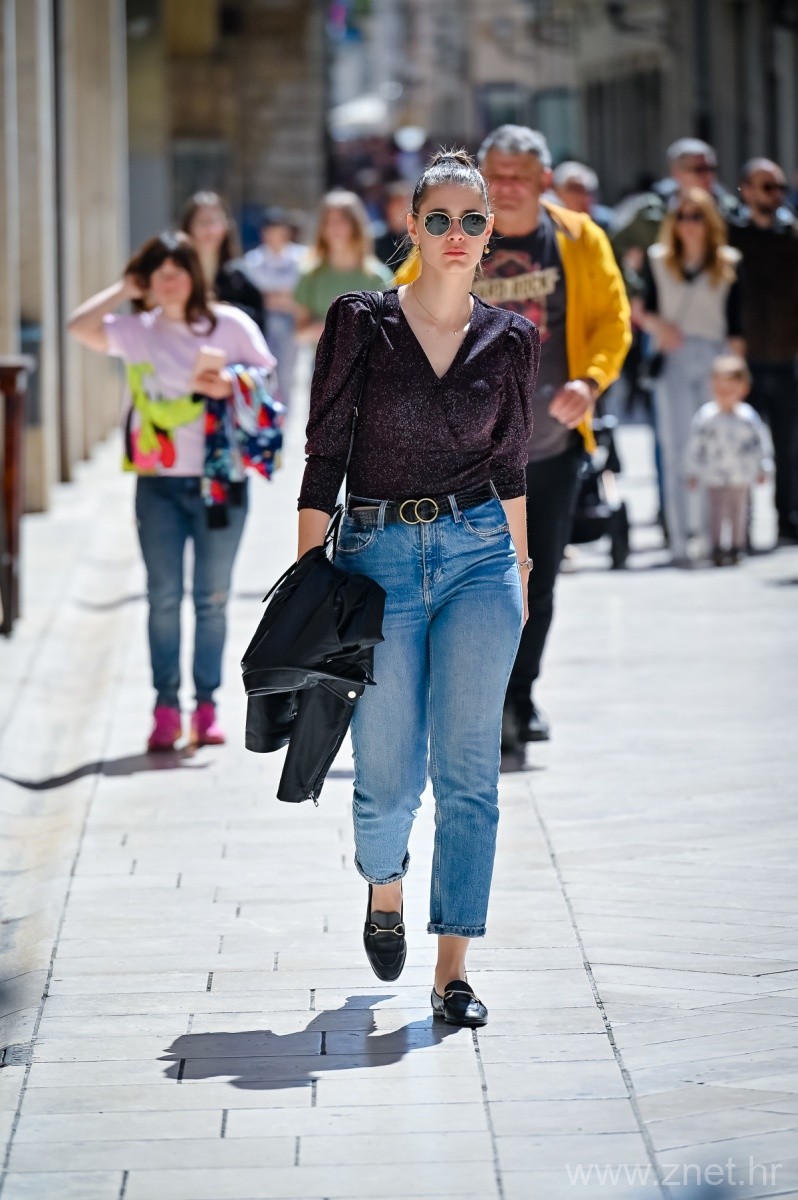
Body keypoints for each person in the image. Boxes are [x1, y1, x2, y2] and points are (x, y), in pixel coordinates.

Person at [297, 149, 539, 1027]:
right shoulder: (360, 322)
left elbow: (511, 466)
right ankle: (384, 886)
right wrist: (309, 579)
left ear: (490, 232)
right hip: (377, 558)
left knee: (470, 775)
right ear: (411, 227)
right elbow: (324, 453)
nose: (455, 234)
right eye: (438, 219)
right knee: (389, 783)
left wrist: (521, 568)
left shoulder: (512, 338)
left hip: (479, 558)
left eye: (472, 221)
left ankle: (453, 972)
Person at [68, 232, 276, 752]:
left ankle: (206, 707)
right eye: (158, 273)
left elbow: (267, 378)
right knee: (162, 598)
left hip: (220, 481)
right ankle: (165, 707)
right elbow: (78, 327)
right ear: (148, 280)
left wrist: (230, 382)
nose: (169, 281)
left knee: (212, 600)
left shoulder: (229, 323)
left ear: (194, 274)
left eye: (177, 270)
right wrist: (124, 289)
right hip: (158, 485)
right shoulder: (137, 329)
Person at [473, 125, 630, 750]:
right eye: (496, 174)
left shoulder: (578, 237)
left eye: (519, 175)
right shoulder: (457, 231)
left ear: (544, 179)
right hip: (469, 451)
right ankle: (475, 701)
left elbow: (614, 319)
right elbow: (407, 299)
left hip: (552, 446)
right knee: (473, 584)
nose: (507, 186)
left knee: (536, 580)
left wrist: (590, 383)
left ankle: (519, 696)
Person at [637, 187, 743, 565]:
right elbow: (641, 308)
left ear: (710, 221)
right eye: (681, 216)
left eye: (697, 216)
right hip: (674, 358)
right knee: (678, 450)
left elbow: (736, 323)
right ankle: (680, 541)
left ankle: (715, 539)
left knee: (716, 450)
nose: (688, 224)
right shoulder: (658, 259)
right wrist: (659, 328)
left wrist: (737, 372)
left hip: (715, 361)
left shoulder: (728, 262)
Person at [728, 158, 798, 543]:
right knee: (741, 447)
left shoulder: (793, 233)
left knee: (789, 447)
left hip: (787, 356)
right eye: (767, 187)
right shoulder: (731, 236)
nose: (776, 195)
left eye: (780, 187)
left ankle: (788, 519)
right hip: (744, 358)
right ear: (747, 191)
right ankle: (742, 526)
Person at [685, 355, 774, 566]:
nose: (724, 395)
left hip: (740, 476)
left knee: (739, 513)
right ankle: (716, 546)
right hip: (714, 476)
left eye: (730, 390)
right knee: (715, 513)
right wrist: (692, 471)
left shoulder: (748, 417)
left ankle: (737, 546)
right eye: (720, 389)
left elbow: (760, 444)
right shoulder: (706, 417)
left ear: (743, 389)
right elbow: (695, 447)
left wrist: (763, 468)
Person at [611, 138, 740, 262]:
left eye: (712, 168)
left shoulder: (731, 210)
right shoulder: (651, 213)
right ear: (677, 173)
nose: (708, 176)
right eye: (699, 169)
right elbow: (615, 247)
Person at [293, 190, 393, 341]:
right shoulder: (310, 275)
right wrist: (331, 331)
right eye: (328, 221)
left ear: (356, 226)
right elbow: (299, 333)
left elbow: (388, 333)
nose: (335, 228)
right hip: (320, 356)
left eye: (341, 221)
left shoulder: (378, 277)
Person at [242, 207, 305, 404]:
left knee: (286, 375)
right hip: (263, 322)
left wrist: (273, 296)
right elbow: (256, 297)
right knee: (261, 371)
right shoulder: (253, 260)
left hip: (292, 322)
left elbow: (302, 296)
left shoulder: (302, 257)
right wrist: (284, 296)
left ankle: (283, 415)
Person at [181, 191, 266, 332]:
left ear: (226, 226)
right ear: (188, 226)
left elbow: (257, 321)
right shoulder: (176, 271)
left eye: (214, 221)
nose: (209, 229)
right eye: (202, 222)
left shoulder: (238, 277)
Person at [550, 161, 612, 231]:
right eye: (575, 190)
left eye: (589, 192)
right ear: (556, 191)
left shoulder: (604, 222)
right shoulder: (546, 223)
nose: (583, 198)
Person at [374, 180, 414, 265]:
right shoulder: (377, 241)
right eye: (399, 202)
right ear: (388, 207)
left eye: (407, 202)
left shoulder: (417, 240)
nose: (405, 207)